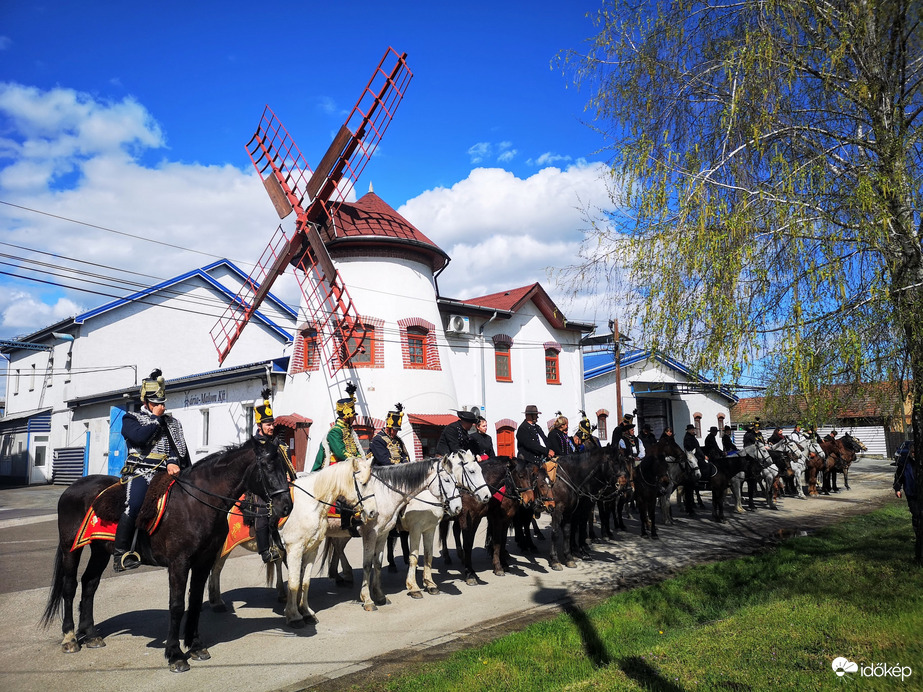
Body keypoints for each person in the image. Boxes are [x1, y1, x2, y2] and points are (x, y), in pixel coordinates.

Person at [114, 369, 191, 572]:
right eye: (156, 404)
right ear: (146, 402)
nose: (161, 407)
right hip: (140, 471)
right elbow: (139, 438)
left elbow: (178, 449)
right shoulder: (131, 419)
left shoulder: (172, 423)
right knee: (135, 504)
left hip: (165, 472)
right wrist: (157, 420)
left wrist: (173, 461)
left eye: (162, 404)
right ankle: (121, 553)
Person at [251, 388, 297, 563]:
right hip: (260, 487)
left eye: (272, 424)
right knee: (263, 511)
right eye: (268, 424)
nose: (271, 427)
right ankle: (264, 551)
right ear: (259, 426)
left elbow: (284, 464)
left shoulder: (277, 443)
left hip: (278, 484)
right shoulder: (255, 445)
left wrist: (288, 476)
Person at [312, 382, 363, 471]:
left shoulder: (349, 430)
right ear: (347, 416)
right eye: (353, 416)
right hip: (336, 467)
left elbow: (356, 449)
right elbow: (341, 454)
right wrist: (356, 460)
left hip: (350, 464)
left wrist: (359, 458)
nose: (354, 418)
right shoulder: (335, 431)